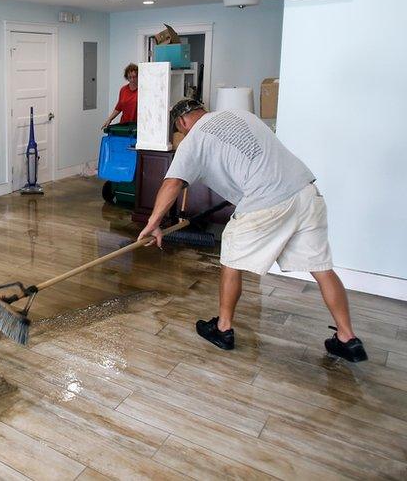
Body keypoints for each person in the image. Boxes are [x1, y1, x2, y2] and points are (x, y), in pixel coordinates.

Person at [137, 99, 368, 362]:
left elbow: (173, 182)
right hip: (305, 191)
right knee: (321, 268)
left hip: (266, 200)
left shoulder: (194, 138)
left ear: (181, 122)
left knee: (231, 259)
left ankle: (223, 329)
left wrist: (153, 223)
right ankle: (347, 338)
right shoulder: (239, 114)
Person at [101, 63, 139, 130]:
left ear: (138, 76)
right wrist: (109, 119)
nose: (132, 80)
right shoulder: (123, 90)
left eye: (134, 77)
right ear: (127, 77)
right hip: (124, 125)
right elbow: (119, 107)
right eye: (130, 77)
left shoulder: (142, 90)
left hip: (137, 126)